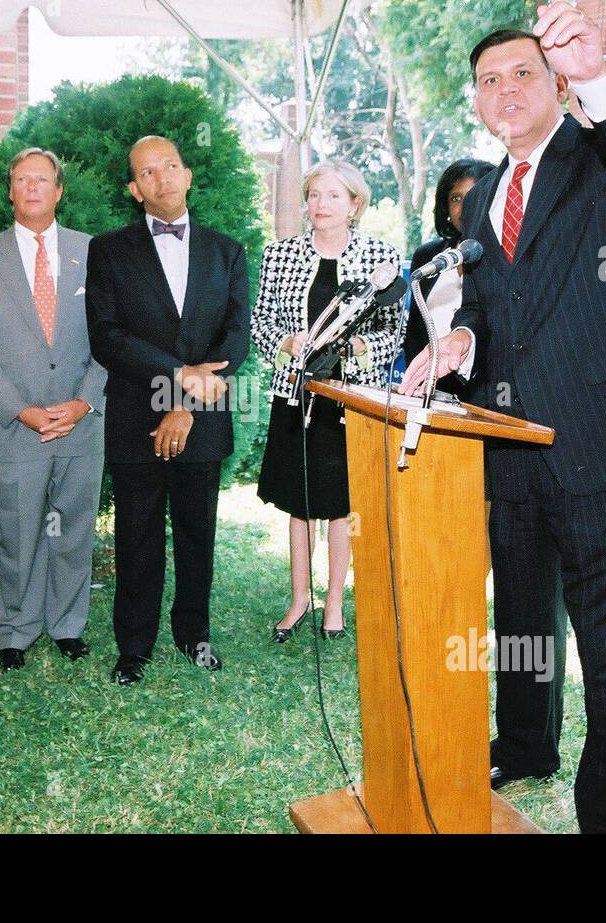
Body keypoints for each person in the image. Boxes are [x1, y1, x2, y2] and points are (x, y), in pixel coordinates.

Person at [400, 0, 606, 833]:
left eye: (524, 72)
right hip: (517, 460)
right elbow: (503, 310)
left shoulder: (600, 156)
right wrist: (462, 341)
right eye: (488, 80)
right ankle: (527, 740)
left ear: (557, 80)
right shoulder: (487, 194)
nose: (504, 90)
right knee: (525, 632)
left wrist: (599, 69)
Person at [86, 135, 250, 686]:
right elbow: (107, 338)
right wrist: (178, 378)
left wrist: (185, 403)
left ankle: (194, 635)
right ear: (135, 190)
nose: (163, 179)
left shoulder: (227, 251)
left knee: (197, 533)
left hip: (202, 417)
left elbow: (236, 336)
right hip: (136, 418)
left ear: (188, 175)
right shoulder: (108, 250)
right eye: (148, 173)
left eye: (171, 167)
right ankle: (133, 647)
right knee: (136, 535)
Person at [0, 148, 106, 673]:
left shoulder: (93, 254)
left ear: (59, 190)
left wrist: (85, 402)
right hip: (15, 426)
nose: (33, 188)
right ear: (11, 191)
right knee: (19, 532)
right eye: (22, 180)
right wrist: (21, 410)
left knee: (74, 527)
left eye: (43, 179)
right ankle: (16, 630)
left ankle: (67, 625)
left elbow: (110, 341)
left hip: (80, 421)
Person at [251, 160, 400, 642]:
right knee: (299, 501)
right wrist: (286, 344)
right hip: (296, 396)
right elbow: (260, 324)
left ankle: (334, 601)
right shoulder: (280, 255)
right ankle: (300, 598)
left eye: (333, 196)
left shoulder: (381, 257)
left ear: (355, 203)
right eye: (314, 195)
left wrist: (359, 348)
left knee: (340, 504)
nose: (321, 206)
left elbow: (394, 330)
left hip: (349, 399)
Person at [404, 158, 496, 375]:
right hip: (427, 387)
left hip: (484, 393)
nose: (465, 207)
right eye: (456, 198)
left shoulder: (507, 259)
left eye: (475, 197)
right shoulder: (428, 256)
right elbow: (414, 334)